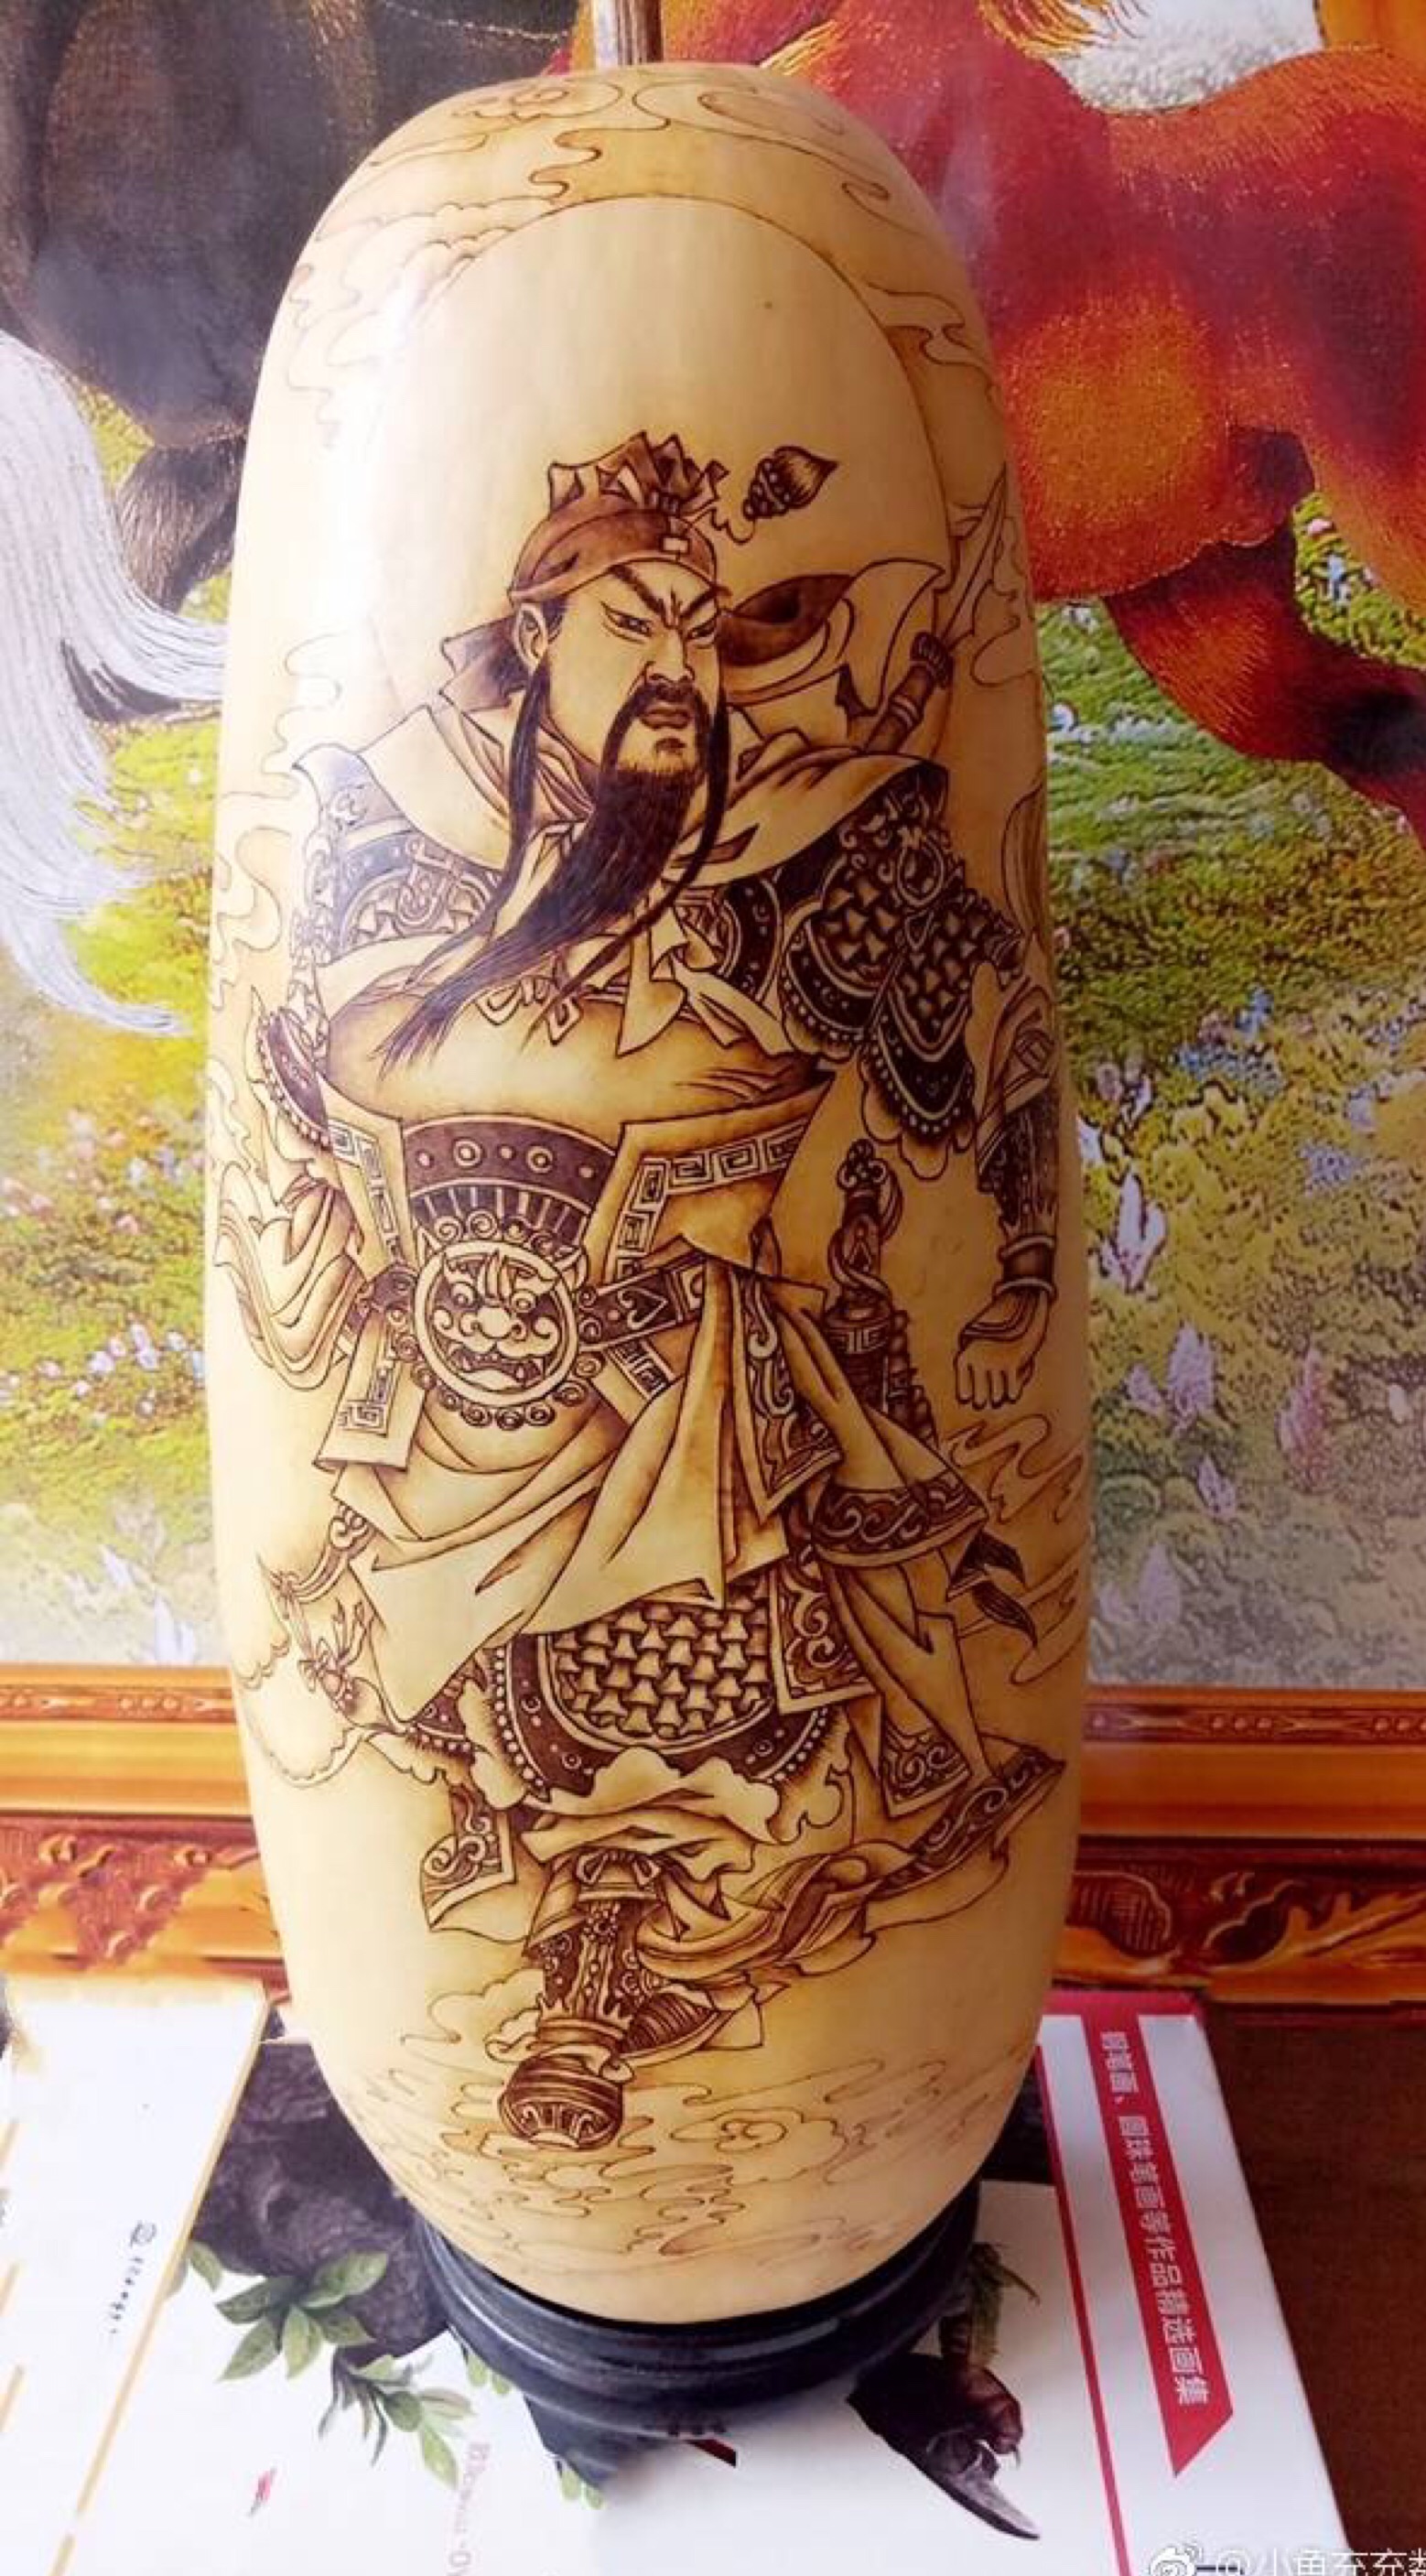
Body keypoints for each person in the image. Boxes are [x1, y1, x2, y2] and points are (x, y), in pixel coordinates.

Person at [218, 431, 1063, 2151]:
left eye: (702, 625)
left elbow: (971, 1068)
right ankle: (581, 1940)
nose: (681, 663)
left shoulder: (790, 846)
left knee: (707, 1630)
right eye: (634, 621)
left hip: (689, 1405)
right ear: (535, 637)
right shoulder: (412, 831)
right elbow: (319, 1088)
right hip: (462, 1396)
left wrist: (1011, 1266)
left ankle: (618, 1958)